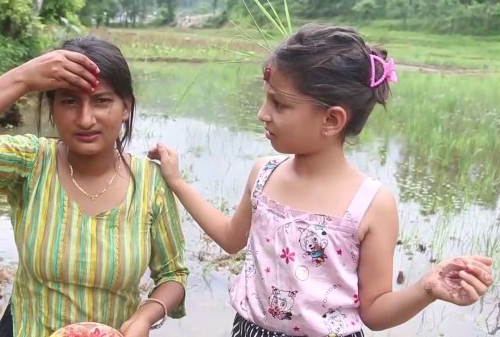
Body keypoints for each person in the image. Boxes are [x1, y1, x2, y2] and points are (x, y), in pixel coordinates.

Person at [148, 24, 494, 337]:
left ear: (332, 119)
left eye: (279, 104)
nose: (262, 113)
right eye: (266, 98)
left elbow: (374, 312)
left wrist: (426, 289)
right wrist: (177, 182)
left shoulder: (372, 205)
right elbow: (229, 238)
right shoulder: (263, 173)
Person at [0, 36, 189, 337]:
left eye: (102, 101)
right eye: (69, 101)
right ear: (51, 108)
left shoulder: (150, 182)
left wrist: (146, 315)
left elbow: (173, 275)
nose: (85, 119)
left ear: (126, 108)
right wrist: (21, 78)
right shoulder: (30, 162)